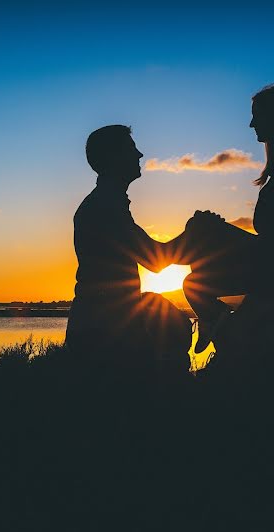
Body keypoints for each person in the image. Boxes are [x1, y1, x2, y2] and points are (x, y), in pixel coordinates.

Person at [184, 84, 274, 353]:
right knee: (204, 232)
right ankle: (213, 320)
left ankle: (219, 324)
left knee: (194, 275)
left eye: (257, 115)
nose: (251, 124)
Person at [65, 125, 193, 370]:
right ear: (115, 158)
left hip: (100, 325)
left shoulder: (106, 203)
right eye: (132, 148)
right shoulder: (106, 207)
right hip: (103, 332)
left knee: (173, 322)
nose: (140, 155)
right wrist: (197, 233)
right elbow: (155, 260)